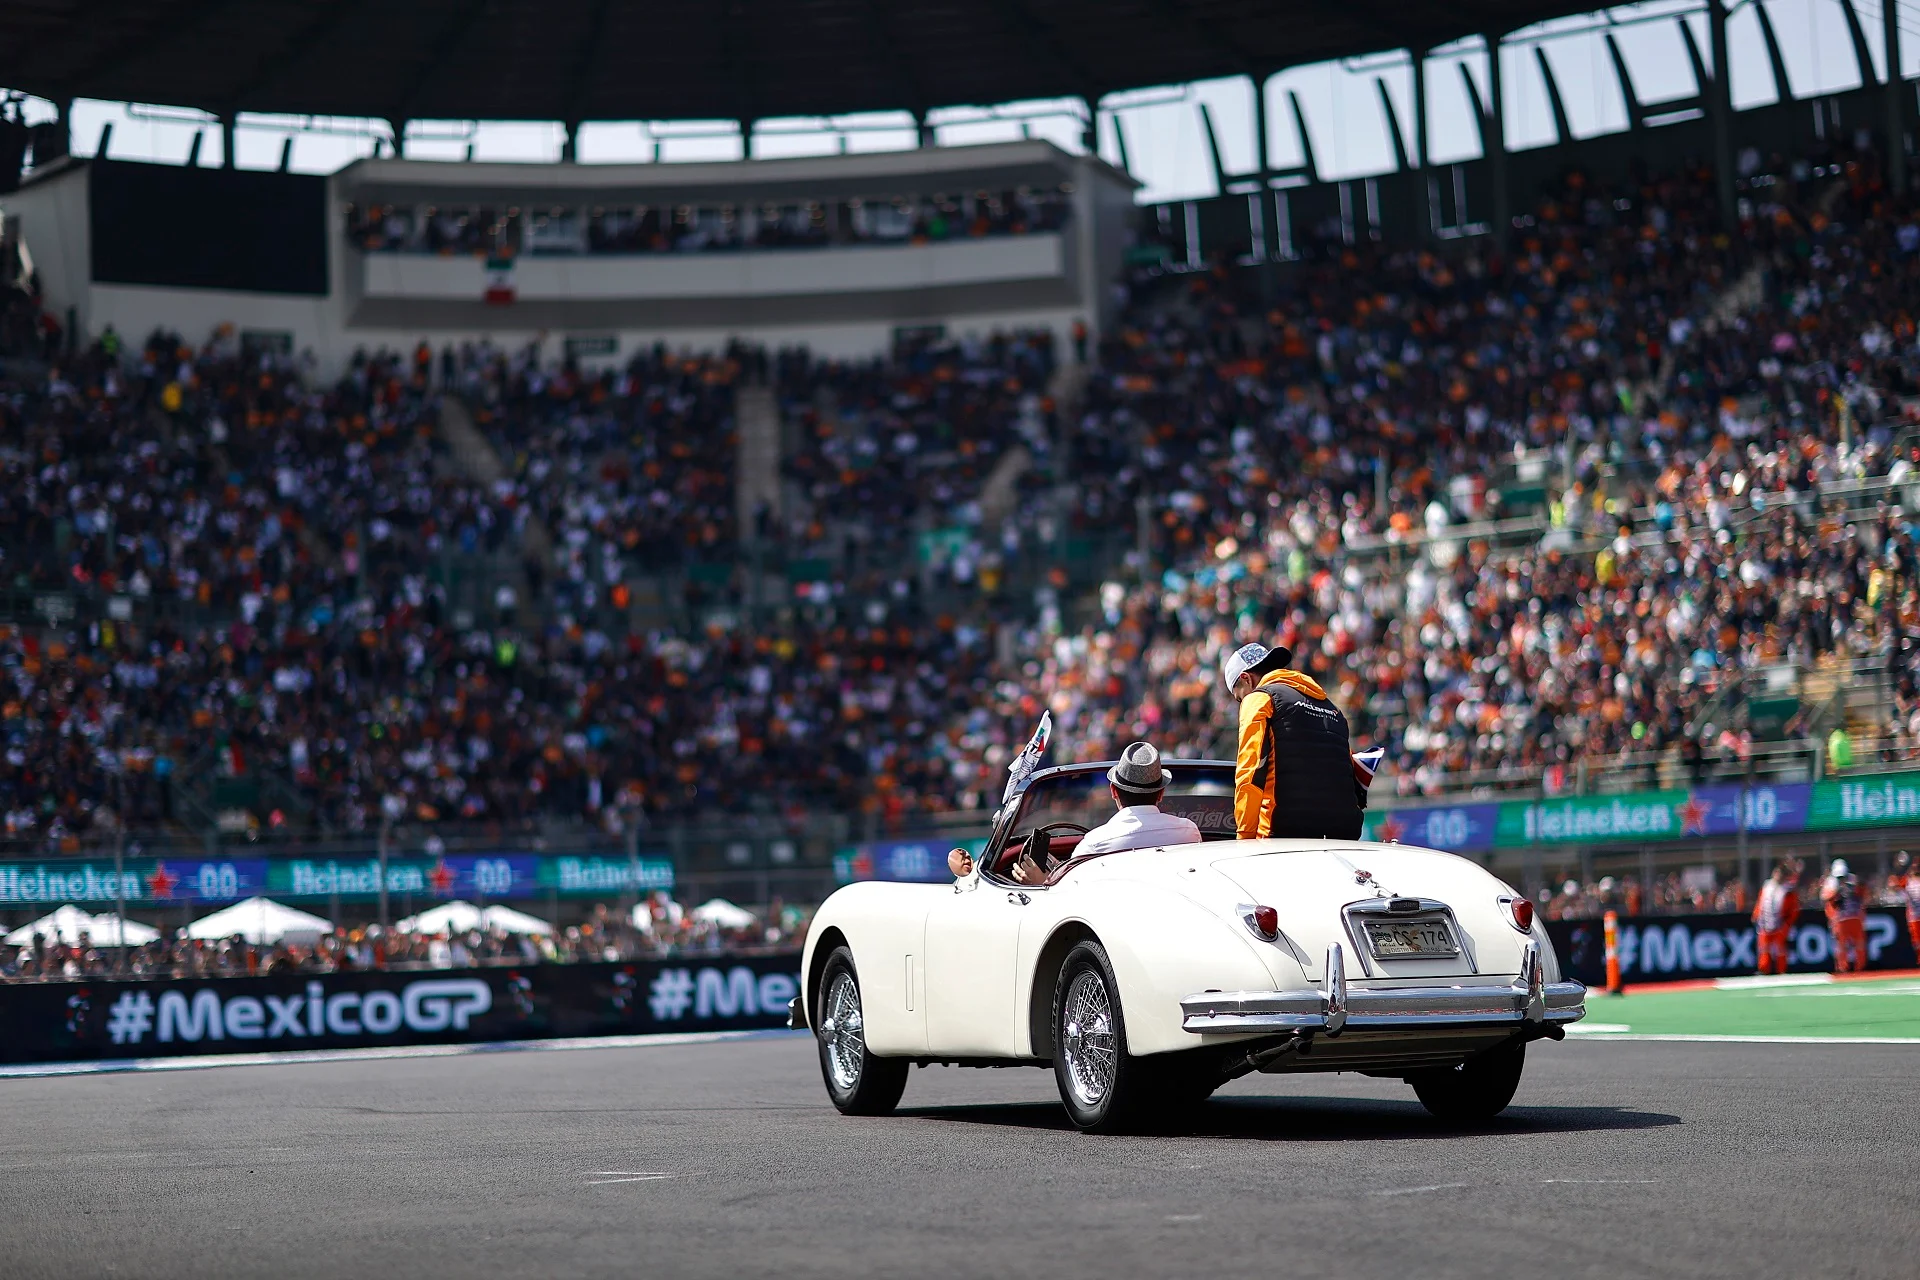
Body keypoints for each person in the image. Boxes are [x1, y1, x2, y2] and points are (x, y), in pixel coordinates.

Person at [1223, 641, 1362, 841]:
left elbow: (1250, 773)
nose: (1241, 702)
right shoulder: (1333, 709)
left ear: (1246, 678)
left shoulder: (1258, 699)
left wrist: (1244, 837)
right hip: (1342, 835)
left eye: (1239, 698)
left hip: (1281, 836)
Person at [1752, 862, 1800, 975]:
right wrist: (1756, 915)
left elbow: (1793, 908)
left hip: (1780, 923)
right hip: (1765, 922)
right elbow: (1761, 902)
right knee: (1764, 947)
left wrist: (1787, 923)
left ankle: (1781, 969)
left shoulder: (1787, 890)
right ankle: (1764, 969)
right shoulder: (1767, 886)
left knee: (1780, 948)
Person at [1823, 858, 1868, 974]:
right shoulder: (1830, 882)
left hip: (1855, 916)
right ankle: (1843, 968)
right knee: (1841, 946)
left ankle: (1860, 967)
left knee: (1859, 944)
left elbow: (1863, 895)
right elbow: (1825, 897)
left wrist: (1855, 888)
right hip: (1840, 918)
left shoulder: (1853, 880)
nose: (1842, 879)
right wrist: (1837, 892)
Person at [1891, 852, 1920, 958]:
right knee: (1916, 941)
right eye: (1915, 868)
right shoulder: (1907, 881)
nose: (1916, 870)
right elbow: (1894, 885)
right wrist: (1898, 867)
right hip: (1914, 915)